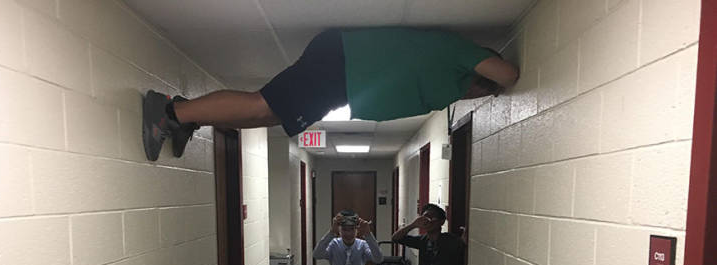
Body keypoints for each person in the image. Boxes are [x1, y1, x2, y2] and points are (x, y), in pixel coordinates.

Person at [142, 27, 520, 160]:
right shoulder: (457, 51)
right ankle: (172, 112)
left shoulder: (449, 85)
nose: (474, 94)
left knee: (272, 116)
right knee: (261, 105)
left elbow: (477, 85)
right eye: (481, 88)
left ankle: (191, 117)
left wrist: (476, 90)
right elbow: (508, 74)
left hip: (344, 83)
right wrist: (494, 78)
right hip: (341, 65)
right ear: (479, 70)